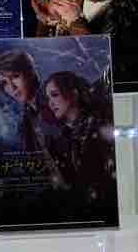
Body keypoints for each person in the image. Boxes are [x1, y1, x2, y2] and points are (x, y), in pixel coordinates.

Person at [43, 70, 117, 212]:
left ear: (74, 94)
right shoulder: (66, 135)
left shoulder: (97, 125)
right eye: (48, 98)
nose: (50, 103)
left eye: (55, 95)